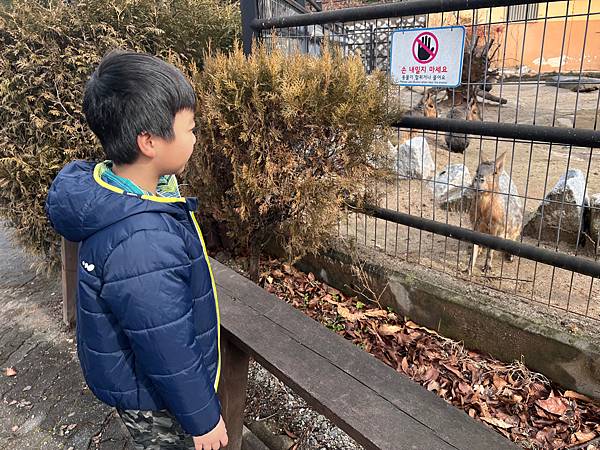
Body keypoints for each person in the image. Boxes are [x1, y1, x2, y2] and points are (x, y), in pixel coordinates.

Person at [45, 50, 228, 450]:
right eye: (190, 129)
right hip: (158, 401)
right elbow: (164, 341)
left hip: (143, 384)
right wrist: (202, 417)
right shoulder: (141, 239)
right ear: (149, 142)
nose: (196, 138)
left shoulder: (123, 193)